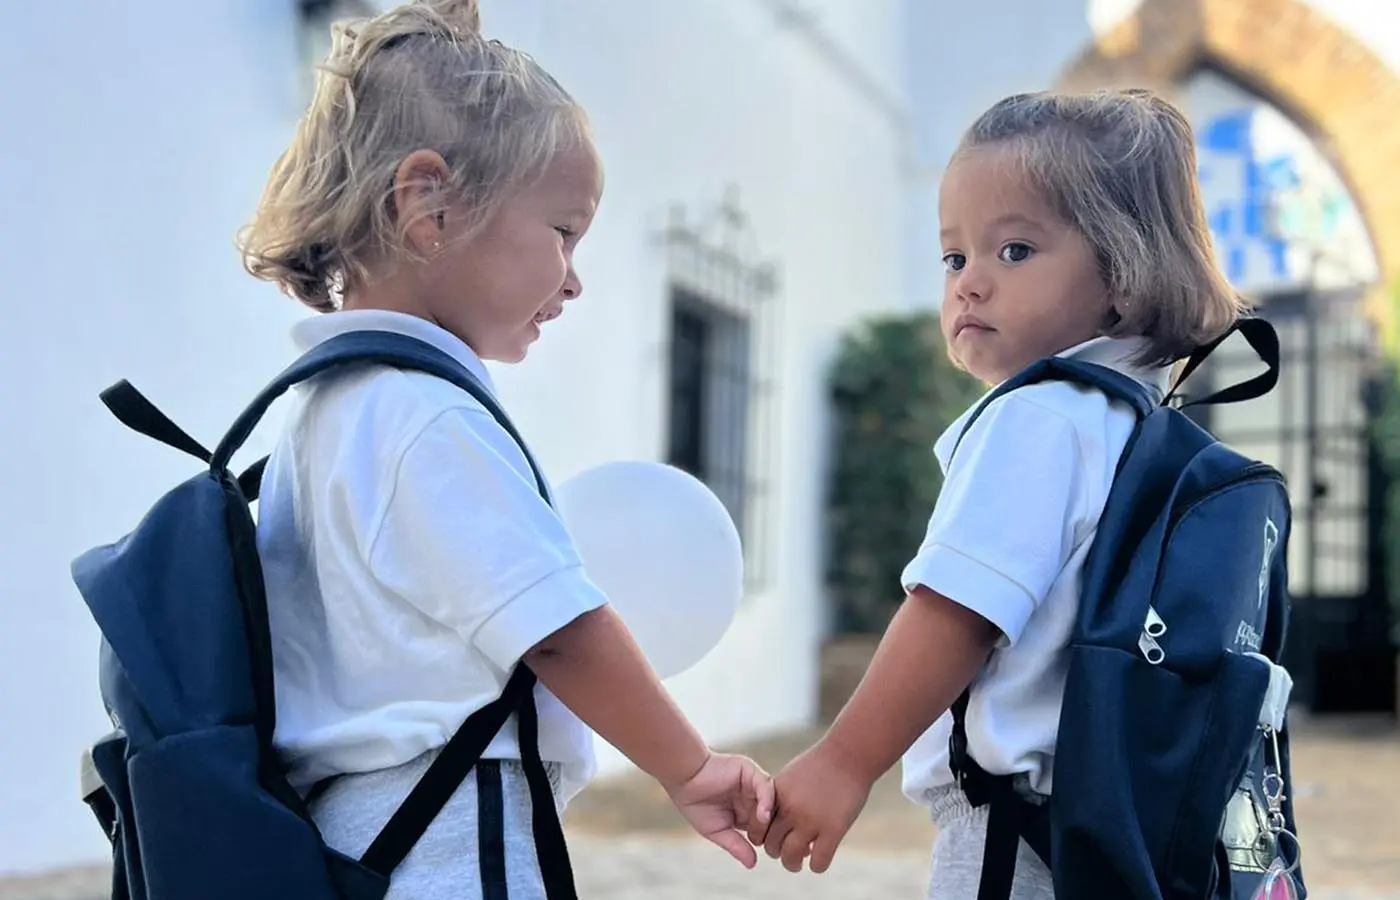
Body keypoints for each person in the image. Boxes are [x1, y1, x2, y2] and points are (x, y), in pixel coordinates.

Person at [237, 1, 773, 896]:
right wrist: (689, 766)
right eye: (563, 231)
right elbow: (558, 630)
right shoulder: (425, 418)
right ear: (428, 206)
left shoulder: (321, 413)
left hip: (356, 839)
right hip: (450, 838)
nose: (574, 278)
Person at [753, 89, 1244, 898]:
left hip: (1016, 839)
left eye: (1014, 251)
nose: (969, 283)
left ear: (1124, 271)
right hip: (1116, 832)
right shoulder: (1140, 424)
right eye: (954, 258)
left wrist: (844, 763)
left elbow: (960, 609)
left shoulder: (1041, 417)